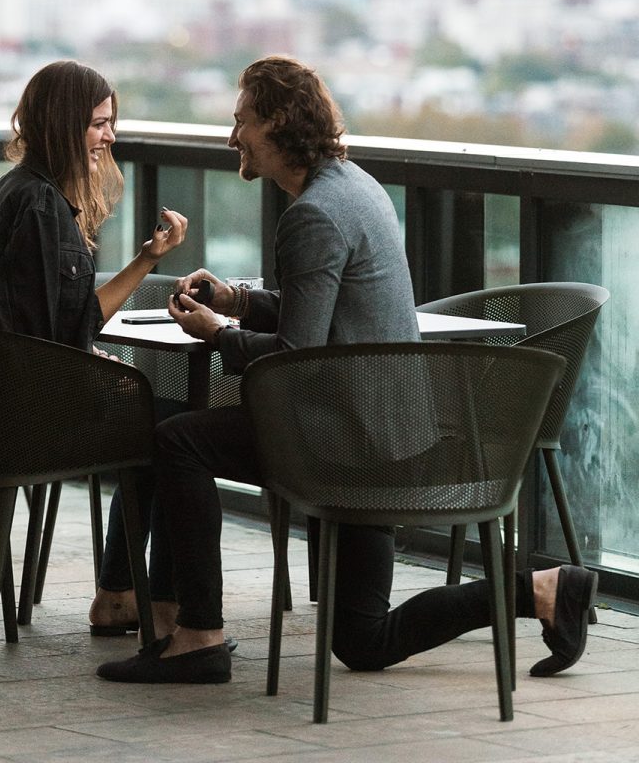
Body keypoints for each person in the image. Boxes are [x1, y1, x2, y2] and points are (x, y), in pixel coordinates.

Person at [96, 54, 598, 686]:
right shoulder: (354, 185)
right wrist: (238, 301)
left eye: (241, 121)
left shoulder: (311, 214)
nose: (232, 138)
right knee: (363, 641)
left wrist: (219, 333)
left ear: (279, 122)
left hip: (347, 443)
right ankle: (546, 591)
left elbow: (297, 362)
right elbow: (323, 318)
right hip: (388, 433)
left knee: (178, 440)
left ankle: (199, 635)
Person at [0, 59, 186, 637]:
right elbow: (60, 337)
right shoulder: (42, 210)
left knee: (161, 422)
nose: (110, 136)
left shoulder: (19, 194)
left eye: (111, 123)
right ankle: (158, 604)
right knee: (180, 434)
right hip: (13, 424)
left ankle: (122, 594)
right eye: (99, 123)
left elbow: (64, 326)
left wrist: (148, 258)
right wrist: (85, 363)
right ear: (63, 124)